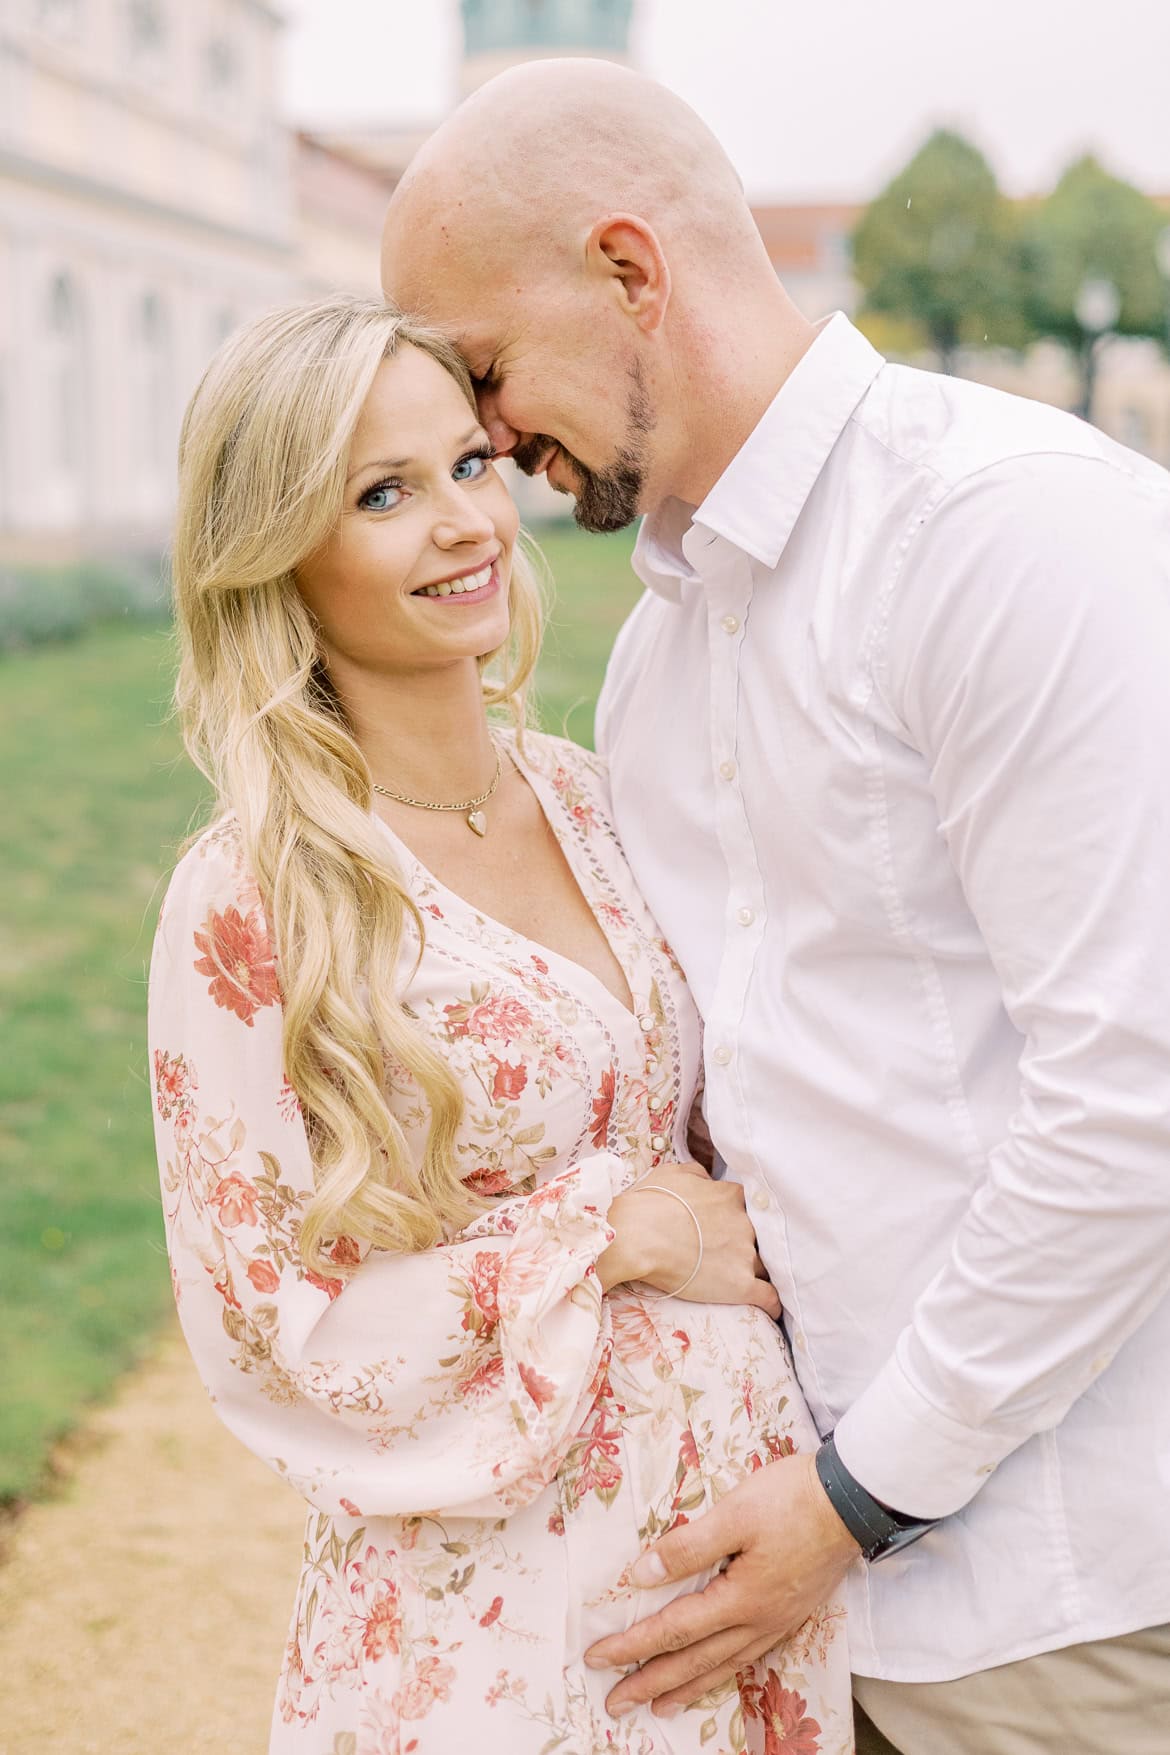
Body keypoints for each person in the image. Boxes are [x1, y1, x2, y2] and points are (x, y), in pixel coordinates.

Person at [379, 56, 1170, 1755]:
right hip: (780, 1601)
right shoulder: (658, 656)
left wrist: (860, 1500)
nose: (488, 443)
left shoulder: (1011, 537)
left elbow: (1133, 1101)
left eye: (486, 373)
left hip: (1052, 1602)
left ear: (628, 270)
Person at [148, 294, 855, 1754]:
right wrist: (612, 1232)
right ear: (281, 547)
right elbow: (275, 1334)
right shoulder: (255, 897)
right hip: (487, 1621)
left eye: (468, 467)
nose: (464, 523)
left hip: (737, 1569)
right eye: (383, 494)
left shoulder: (600, 798)